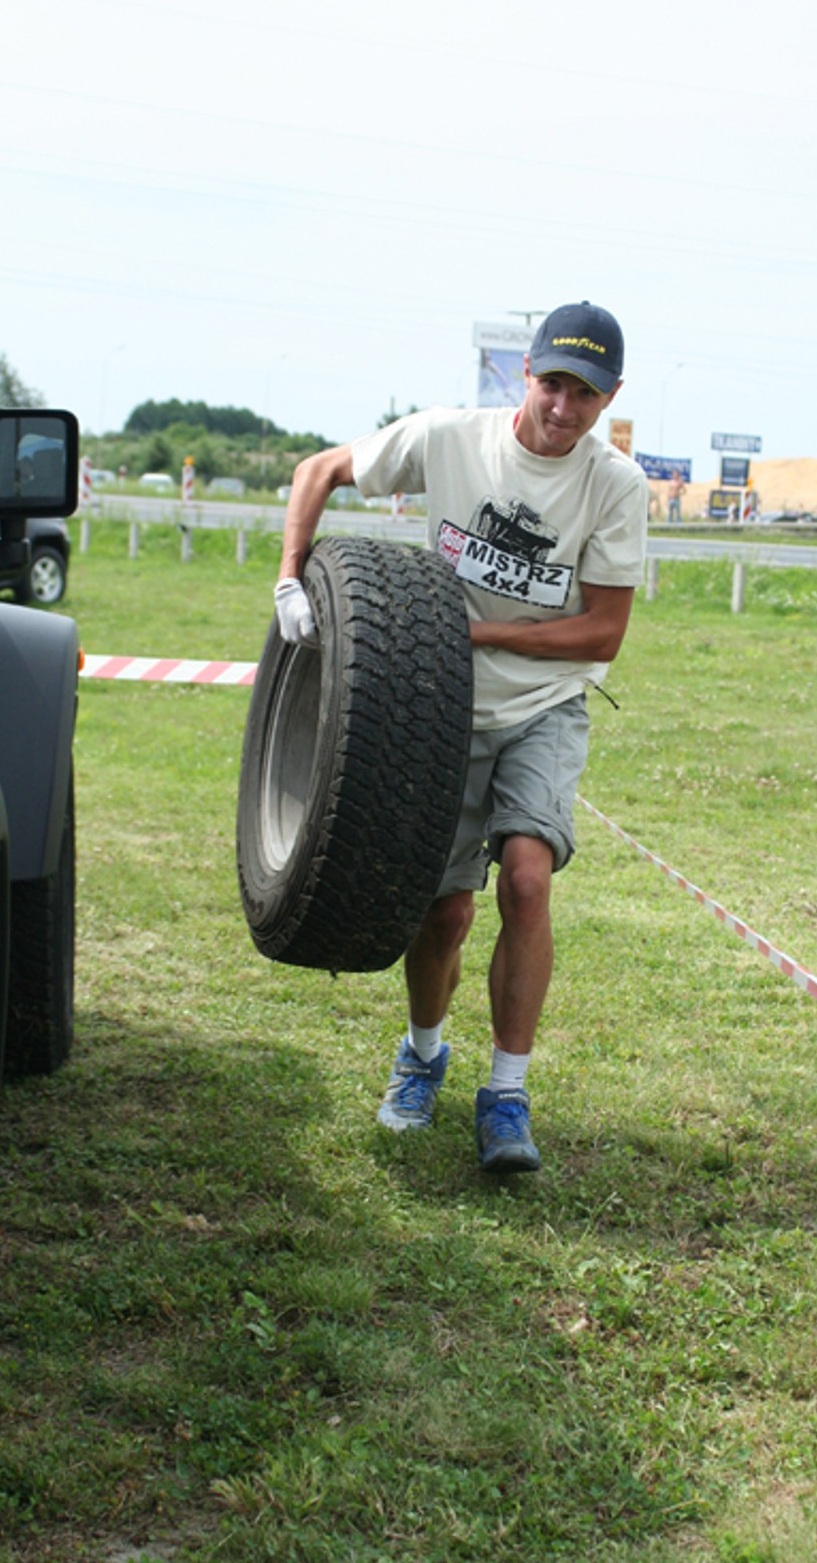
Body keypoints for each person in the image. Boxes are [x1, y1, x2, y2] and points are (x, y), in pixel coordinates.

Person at [274, 301, 649, 1172]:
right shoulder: (449, 438)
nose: (563, 407)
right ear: (527, 372)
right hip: (433, 704)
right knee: (442, 912)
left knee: (525, 877)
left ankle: (507, 1096)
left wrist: (472, 631)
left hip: (543, 704)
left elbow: (601, 634)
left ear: (611, 398)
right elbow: (318, 470)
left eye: (585, 395)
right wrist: (291, 581)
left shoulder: (615, 486)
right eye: (552, 383)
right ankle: (423, 1053)